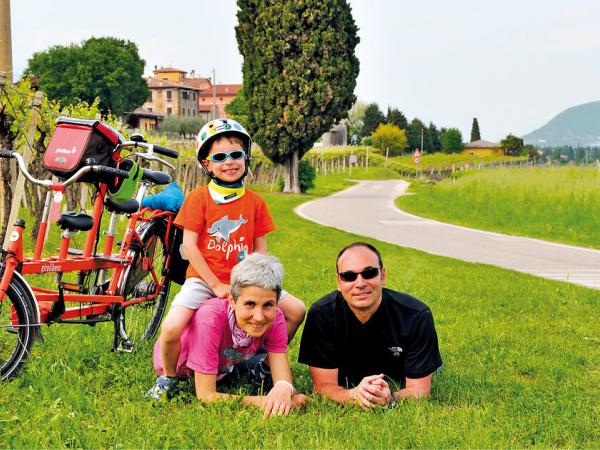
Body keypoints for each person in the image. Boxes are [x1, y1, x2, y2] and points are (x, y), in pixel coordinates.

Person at [146, 118, 306, 399]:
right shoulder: (199, 198)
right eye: (219, 157)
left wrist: (259, 286)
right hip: (204, 280)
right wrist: (217, 285)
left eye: (236, 154)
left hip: (245, 282)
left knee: (296, 310)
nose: (229, 162)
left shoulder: (255, 202)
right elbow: (190, 248)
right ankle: (168, 378)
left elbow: (260, 251)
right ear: (207, 164)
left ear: (246, 157)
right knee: (171, 327)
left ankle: (262, 365)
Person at [152, 253, 308, 415]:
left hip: (229, 359)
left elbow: (283, 379)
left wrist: (285, 387)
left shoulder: (276, 316)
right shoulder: (209, 319)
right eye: (250, 304)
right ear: (232, 300)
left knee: (252, 363)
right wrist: (265, 401)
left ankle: (255, 369)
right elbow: (206, 395)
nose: (259, 316)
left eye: (268, 305)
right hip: (182, 365)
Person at [298, 242, 442, 408]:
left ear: (382, 275)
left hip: (403, 373)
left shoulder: (416, 315)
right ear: (338, 281)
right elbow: (323, 386)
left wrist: (390, 398)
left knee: (429, 368)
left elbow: (420, 389)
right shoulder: (322, 315)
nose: (359, 283)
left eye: (369, 273)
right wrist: (353, 395)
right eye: (348, 276)